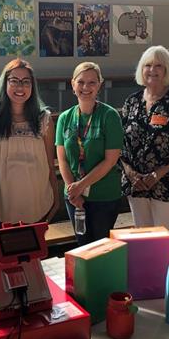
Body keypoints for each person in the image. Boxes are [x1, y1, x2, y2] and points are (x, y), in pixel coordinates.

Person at [120, 45, 169, 233]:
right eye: (148, 65)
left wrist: (156, 175)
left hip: (167, 186)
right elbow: (120, 143)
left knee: (166, 239)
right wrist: (130, 173)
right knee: (142, 239)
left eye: (158, 66)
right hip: (136, 185)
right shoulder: (132, 102)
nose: (152, 70)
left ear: (167, 70)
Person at [0, 59, 59, 228]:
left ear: (32, 86)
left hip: (37, 204)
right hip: (1, 206)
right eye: (14, 81)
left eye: (26, 82)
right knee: (5, 254)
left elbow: (49, 164)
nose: (20, 87)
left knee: (36, 254)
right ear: (4, 83)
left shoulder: (44, 120)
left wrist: (56, 199)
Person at [55, 62, 123, 245]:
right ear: (73, 84)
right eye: (81, 82)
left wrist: (81, 185)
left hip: (104, 196)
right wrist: (73, 191)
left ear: (100, 85)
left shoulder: (109, 116)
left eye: (92, 82)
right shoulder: (64, 118)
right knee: (82, 246)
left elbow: (110, 160)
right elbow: (62, 159)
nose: (86, 87)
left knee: (100, 248)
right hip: (73, 197)